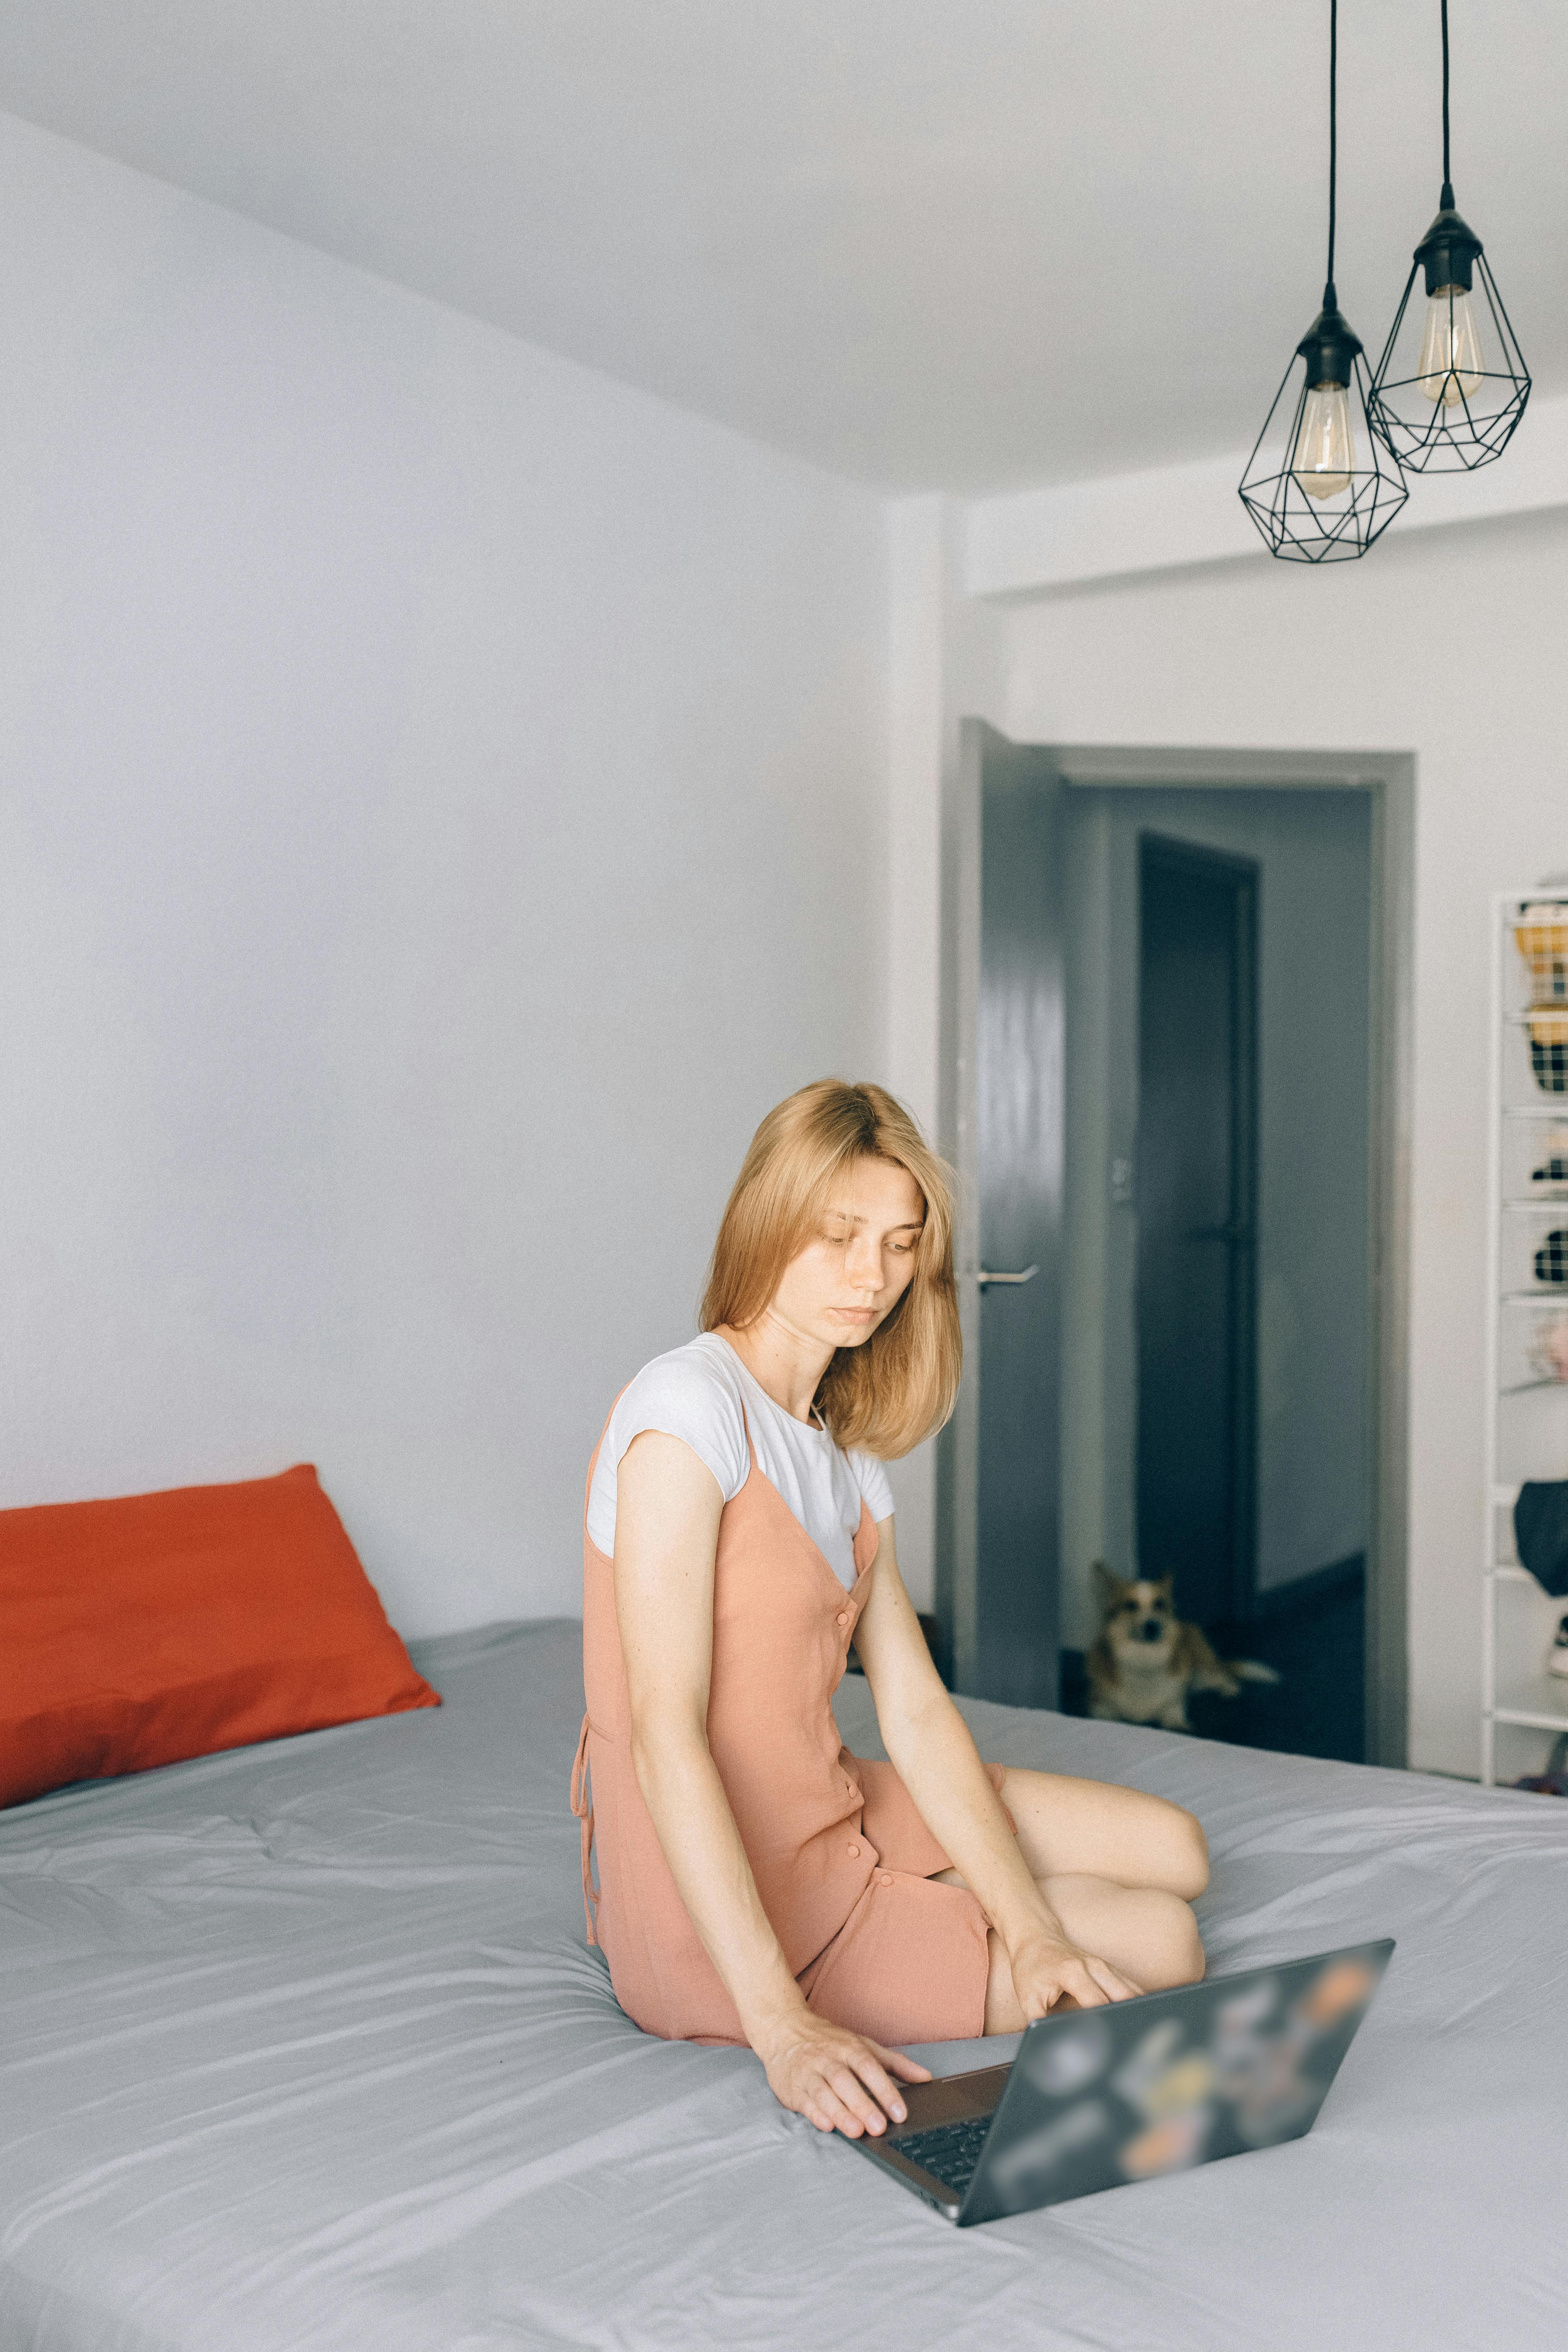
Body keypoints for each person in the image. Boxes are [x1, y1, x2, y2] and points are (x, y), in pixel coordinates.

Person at [571, 1080, 1207, 2144]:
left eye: (902, 1243)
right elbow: (662, 1732)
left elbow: (912, 1710)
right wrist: (783, 2027)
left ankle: (946, 1892)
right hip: (720, 1897)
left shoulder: (842, 1444)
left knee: (1179, 1849)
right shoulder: (687, 1411)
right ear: (768, 1221)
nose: (873, 1277)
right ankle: (921, 1908)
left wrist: (1035, 1932)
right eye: (839, 1236)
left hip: (827, 1809)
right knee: (1165, 1939)